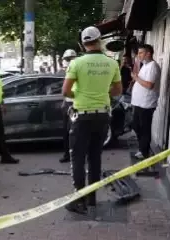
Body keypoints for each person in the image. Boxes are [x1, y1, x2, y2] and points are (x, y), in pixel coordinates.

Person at [62, 26, 122, 214]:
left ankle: (78, 201)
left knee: (78, 158)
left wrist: (81, 95)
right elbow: (118, 90)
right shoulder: (112, 63)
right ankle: (92, 199)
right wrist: (101, 93)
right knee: (95, 158)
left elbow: (65, 91)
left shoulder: (76, 63)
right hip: (103, 115)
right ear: (100, 40)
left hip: (82, 115)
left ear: (82, 43)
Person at [131, 44, 161, 160]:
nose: (139, 55)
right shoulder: (145, 65)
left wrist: (136, 78)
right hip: (139, 103)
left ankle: (144, 152)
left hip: (146, 104)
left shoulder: (153, 66)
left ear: (148, 53)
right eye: (138, 53)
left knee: (144, 128)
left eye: (141, 53)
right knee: (136, 125)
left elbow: (149, 85)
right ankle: (142, 148)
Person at [59, 49, 77, 163]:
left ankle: (74, 155)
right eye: (66, 59)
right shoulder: (67, 73)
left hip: (75, 104)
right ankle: (67, 155)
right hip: (68, 103)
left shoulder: (77, 72)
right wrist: (64, 102)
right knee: (66, 132)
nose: (68, 62)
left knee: (73, 132)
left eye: (70, 59)